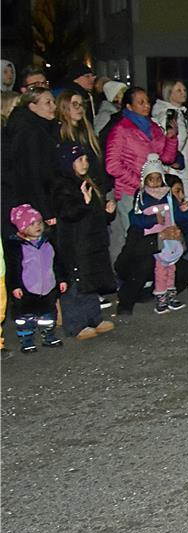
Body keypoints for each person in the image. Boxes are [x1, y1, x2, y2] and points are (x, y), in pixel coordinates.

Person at [104, 86, 180, 263]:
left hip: (153, 191)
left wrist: (171, 138)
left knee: (155, 232)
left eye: (147, 101)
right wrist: (139, 182)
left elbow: (166, 158)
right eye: (141, 102)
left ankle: (153, 273)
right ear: (129, 106)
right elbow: (112, 165)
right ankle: (126, 272)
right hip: (130, 192)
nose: (146, 106)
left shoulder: (153, 127)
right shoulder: (121, 130)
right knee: (132, 234)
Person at [52, 143, 117, 338]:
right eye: (80, 160)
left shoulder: (88, 181)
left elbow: (93, 213)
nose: (85, 163)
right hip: (75, 242)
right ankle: (76, 324)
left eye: (86, 159)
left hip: (92, 240)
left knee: (91, 279)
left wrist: (106, 212)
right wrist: (84, 203)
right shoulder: (62, 185)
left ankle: (93, 318)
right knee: (76, 283)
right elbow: (69, 213)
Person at [5, 205, 66, 353]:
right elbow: (13, 269)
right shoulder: (16, 247)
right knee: (26, 318)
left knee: (49, 315)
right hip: (27, 289)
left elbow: (57, 262)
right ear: (22, 228)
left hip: (48, 286)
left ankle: (48, 336)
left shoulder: (48, 242)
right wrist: (15, 286)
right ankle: (27, 341)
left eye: (39, 222)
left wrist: (62, 279)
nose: (37, 226)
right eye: (31, 224)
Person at [133, 154, 188, 312]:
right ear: (145, 180)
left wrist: (183, 212)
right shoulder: (142, 197)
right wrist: (153, 219)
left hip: (171, 234)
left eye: (158, 178)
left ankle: (171, 293)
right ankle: (161, 296)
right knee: (160, 267)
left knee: (171, 265)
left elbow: (177, 215)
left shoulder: (168, 195)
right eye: (152, 179)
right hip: (155, 238)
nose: (156, 183)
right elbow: (137, 220)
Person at [4, 88, 63, 229]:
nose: (54, 107)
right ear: (32, 106)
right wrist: (46, 211)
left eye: (53, 102)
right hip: (39, 206)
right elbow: (33, 174)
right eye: (47, 103)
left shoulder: (42, 128)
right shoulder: (30, 133)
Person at [152, 80, 188, 196]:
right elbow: (172, 144)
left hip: (186, 169)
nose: (183, 93)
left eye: (184, 90)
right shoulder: (168, 116)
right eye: (178, 90)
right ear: (169, 93)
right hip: (177, 171)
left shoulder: (181, 114)